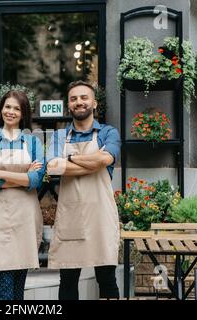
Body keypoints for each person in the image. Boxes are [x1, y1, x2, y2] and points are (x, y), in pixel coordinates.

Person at [46, 80, 121, 300]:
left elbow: (106, 158)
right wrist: (93, 162)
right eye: (73, 99)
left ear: (94, 103)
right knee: (68, 281)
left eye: (84, 97)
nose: (79, 102)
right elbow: (53, 166)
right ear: (69, 105)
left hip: (101, 216)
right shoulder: (59, 136)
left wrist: (69, 158)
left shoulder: (109, 132)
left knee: (107, 279)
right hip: (71, 216)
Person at [0, 89, 45, 300]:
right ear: (1, 110)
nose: (11, 112)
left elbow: (37, 180)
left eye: (17, 108)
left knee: (19, 278)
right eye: (7, 106)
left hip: (25, 214)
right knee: (2, 274)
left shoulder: (34, 142)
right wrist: (23, 177)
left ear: (23, 114)